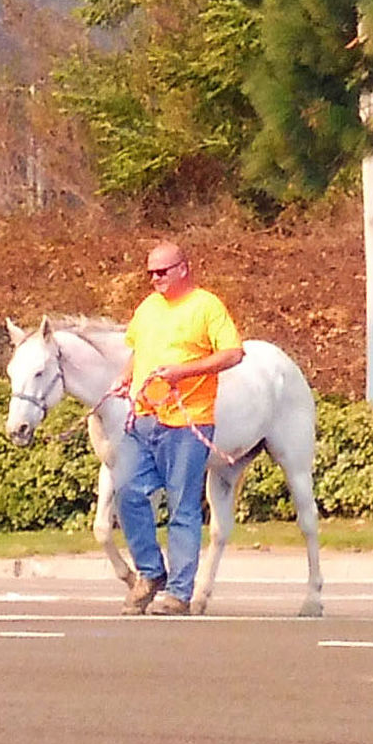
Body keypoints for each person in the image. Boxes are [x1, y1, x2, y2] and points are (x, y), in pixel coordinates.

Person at [111, 239, 243, 616]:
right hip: (145, 416)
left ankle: (180, 593)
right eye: (150, 273)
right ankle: (151, 573)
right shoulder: (149, 308)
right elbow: (139, 352)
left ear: (183, 269)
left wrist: (183, 371)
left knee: (182, 505)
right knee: (127, 490)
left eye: (162, 272)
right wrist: (125, 377)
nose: (155, 279)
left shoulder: (206, 305)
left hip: (188, 421)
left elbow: (233, 353)